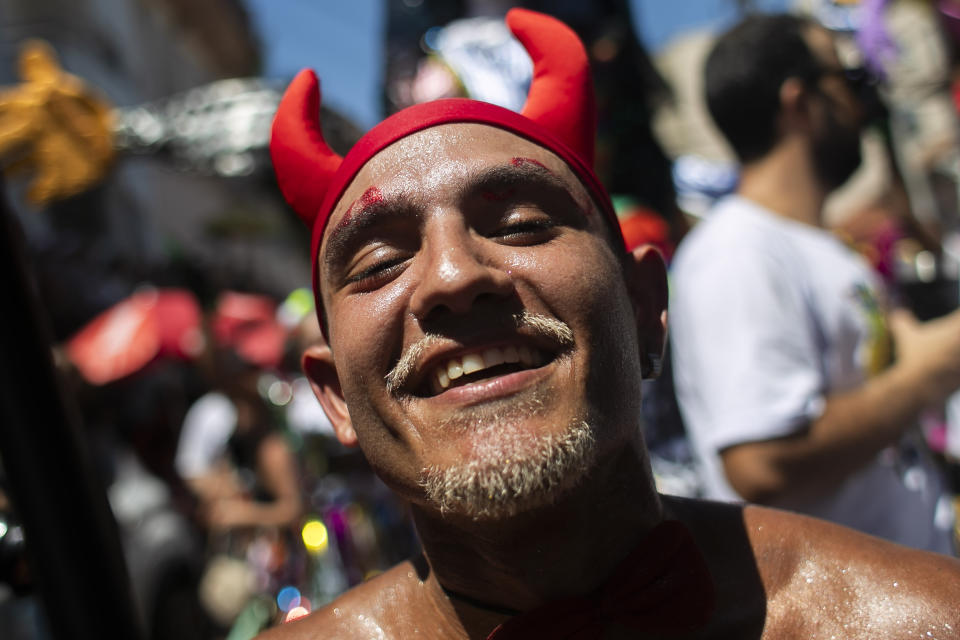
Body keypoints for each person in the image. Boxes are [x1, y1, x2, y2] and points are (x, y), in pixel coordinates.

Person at [259, 9, 960, 638]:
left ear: (645, 309)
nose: (453, 277)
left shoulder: (918, 621)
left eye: (523, 224)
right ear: (334, 396)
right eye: (381, 262)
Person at [670, 12, 960, 554]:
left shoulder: (814, 246)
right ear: (799, 101)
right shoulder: (737, 251)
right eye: (846, 80)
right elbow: (761, 462)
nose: (861, 101)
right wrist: (935, 368)